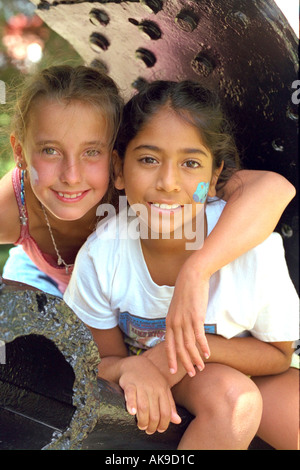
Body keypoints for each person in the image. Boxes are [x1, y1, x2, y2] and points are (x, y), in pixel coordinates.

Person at [0, 65, 296, 373]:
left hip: (114, 303)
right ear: (21, 153)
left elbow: (272, 188)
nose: (72, 176)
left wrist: (198, 270)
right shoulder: (17, 203)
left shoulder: (150, 190)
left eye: (92, 152)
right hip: (40, 282)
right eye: (50, 150)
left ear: (115, 154)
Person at [64, 80, 299, 449]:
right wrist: (131, 367)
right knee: (234, 400)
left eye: (190, 163)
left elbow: (278, 355)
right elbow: (96, 360)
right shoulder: (103, 253)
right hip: (178, 378)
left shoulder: (253, 250)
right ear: (119, 169)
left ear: (213, 177)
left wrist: (189, 345)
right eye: (148, 159)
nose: (169, 182)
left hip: (248, 366)